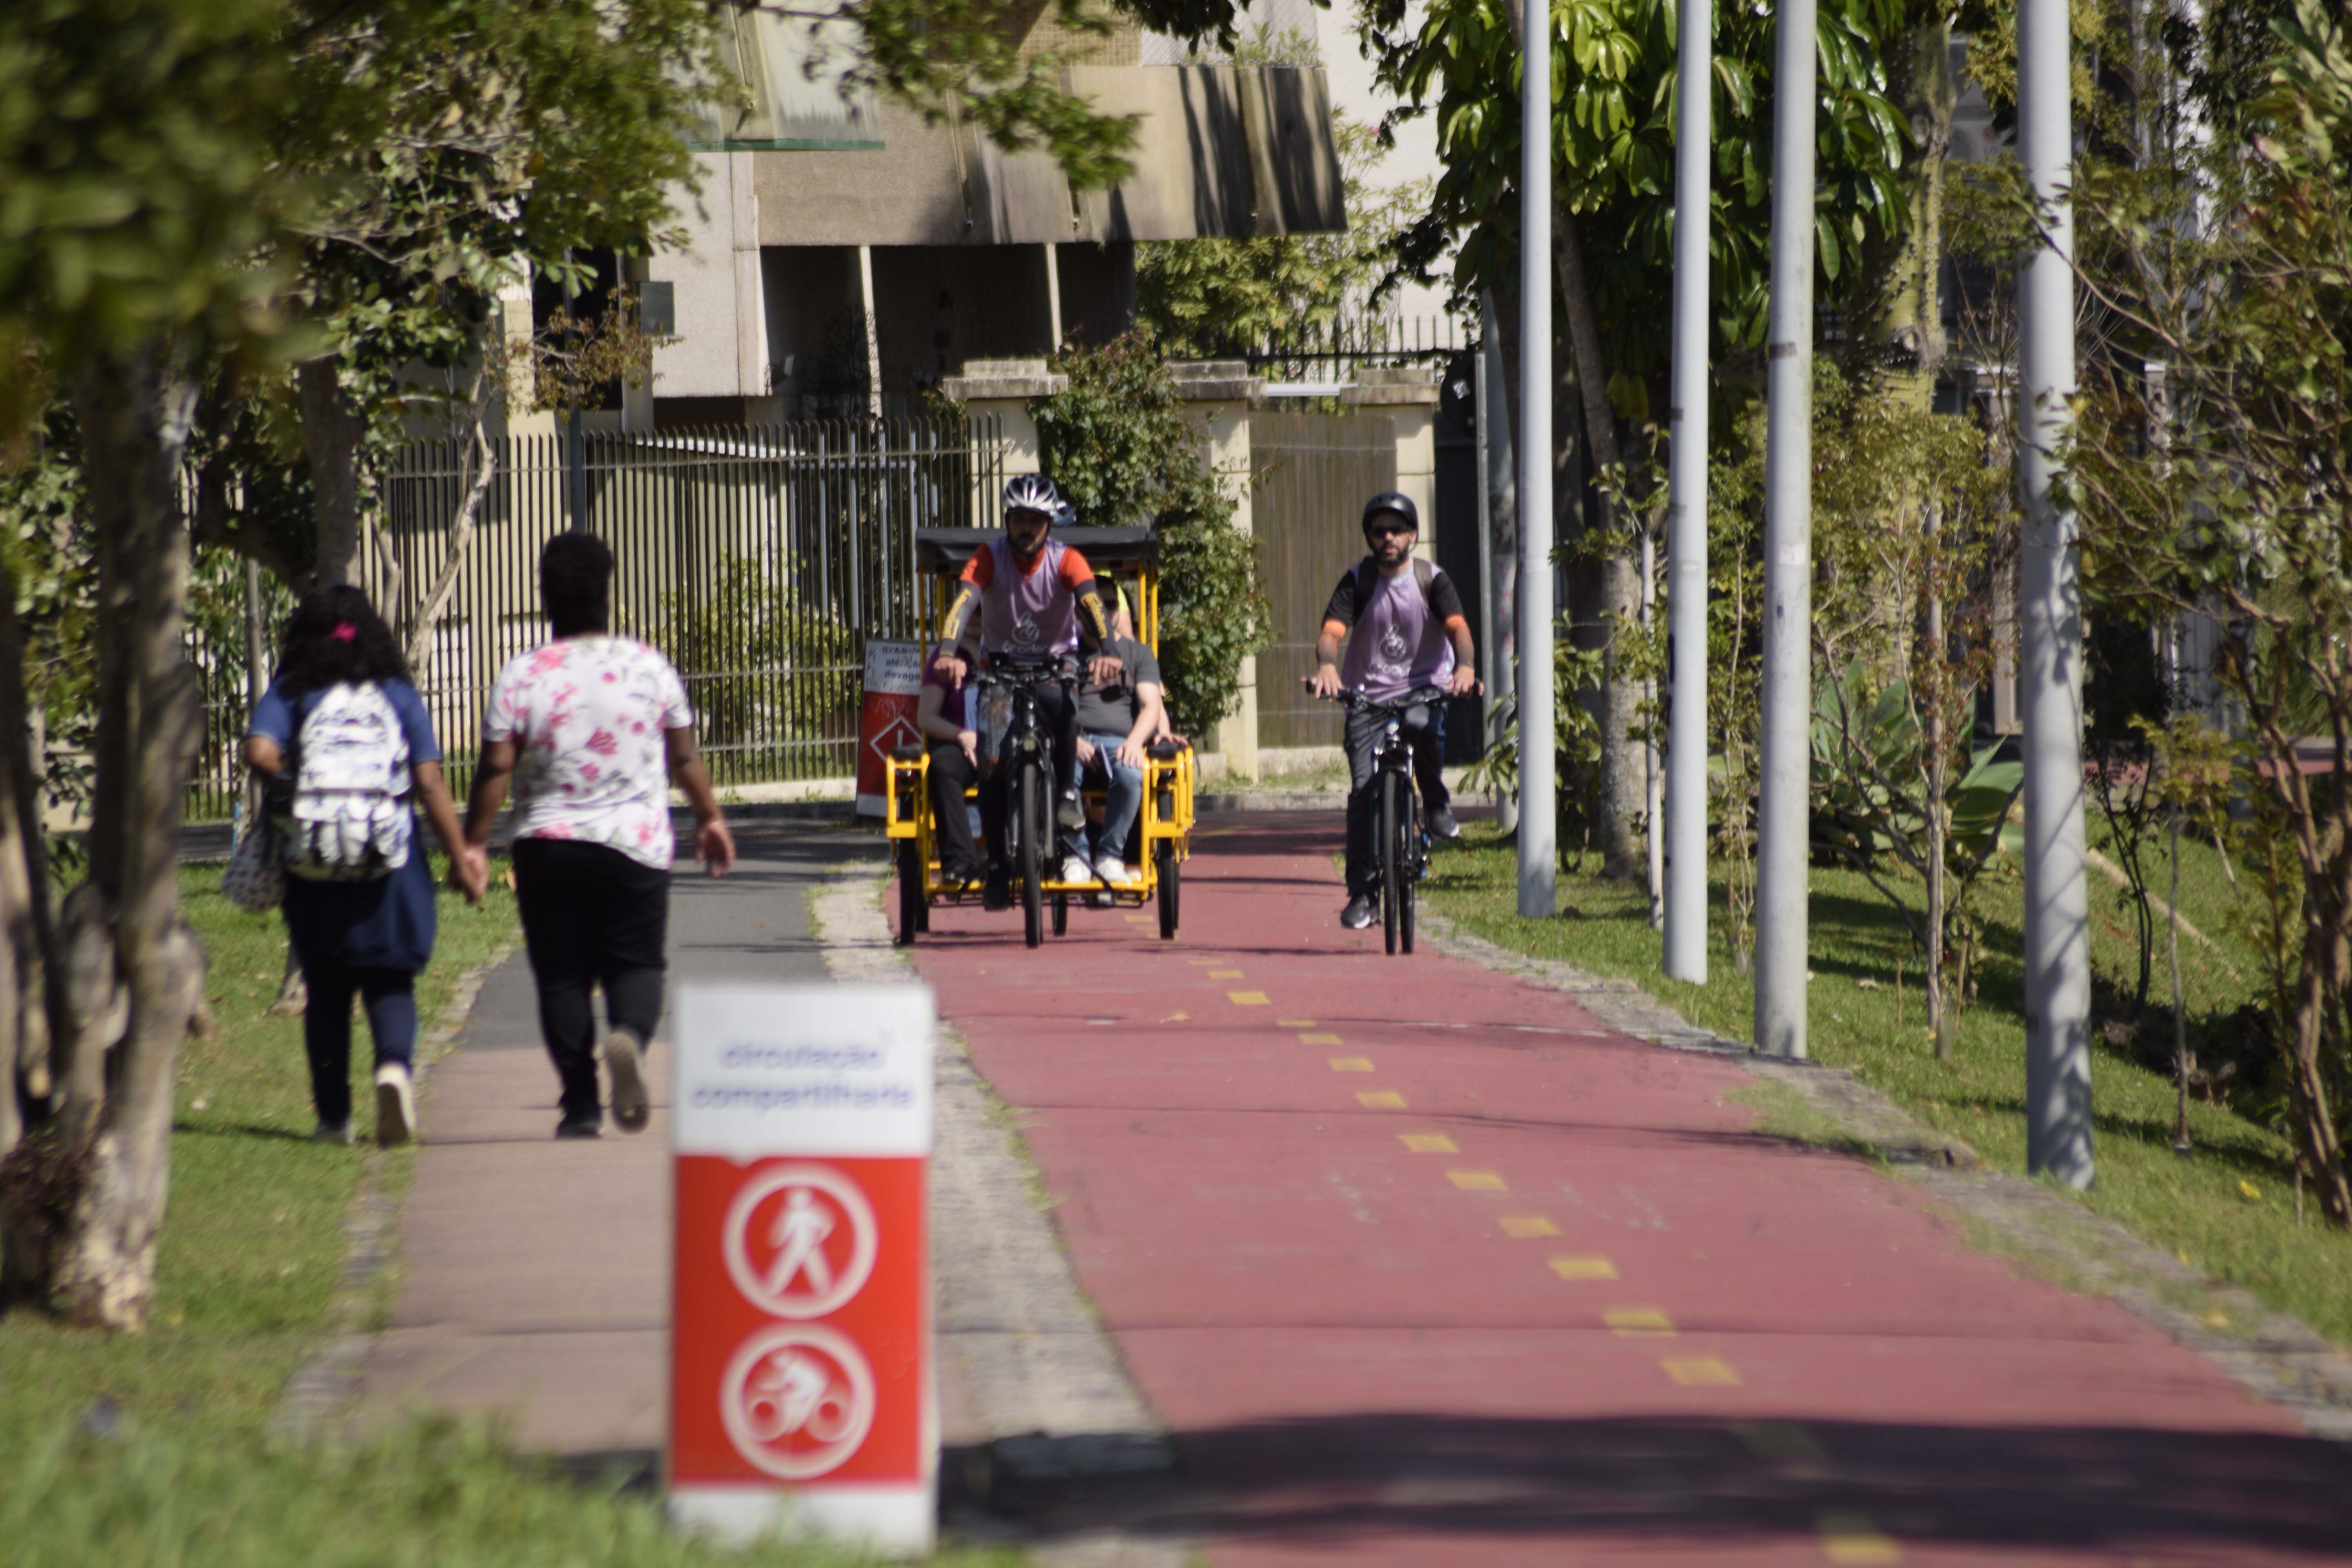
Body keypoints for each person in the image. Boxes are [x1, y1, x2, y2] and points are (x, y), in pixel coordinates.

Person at [463, 532, 736, 1139]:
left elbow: (496, 768)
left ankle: (581, 1105)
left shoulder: (522, 675)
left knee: (561, 975)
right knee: (636, 964)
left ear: (545, 597)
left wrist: (473, 844)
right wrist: (711, 817)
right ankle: (629, 1037)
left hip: (547, 846)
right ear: (607, 594)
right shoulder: (648, 667)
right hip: (634, 845)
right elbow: (685, 758)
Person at [245, 586, 485, 1147]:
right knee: (390, 977)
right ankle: (394, 1068)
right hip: (389, 863)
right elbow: (429, 780)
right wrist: (461, 856)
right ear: (372, 634)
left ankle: (333, 1120)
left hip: (313, 863)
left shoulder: (293, 688)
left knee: (326, 990)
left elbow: (259, 752)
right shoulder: (395, 692)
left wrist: (295, 784)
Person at [933, 474, 1121, 907]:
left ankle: (1067, 794)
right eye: (1019, 519)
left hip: (1056, 662)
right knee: (992, 763)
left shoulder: (1066, 559)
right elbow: (963, 603)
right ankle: (999, 864)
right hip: (1001, 667)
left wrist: (1109, 651)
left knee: (1062, 700)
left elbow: (1092, 604)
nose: (1026, 529)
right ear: (1007, 521)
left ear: (1049, 524)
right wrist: (947, 650)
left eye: (1035, 521)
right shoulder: (988, 557)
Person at [1305, 492, 1480, 930]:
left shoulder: (1431, 580)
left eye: (1397, 530)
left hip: (1423, 688)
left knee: (1426, 727)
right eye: (1380, 530)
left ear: (1412, 536)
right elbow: (1331, 632)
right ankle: (1363, 894)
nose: (1388, 538)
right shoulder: (1358, 581)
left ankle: (1435, 805)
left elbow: (1458, 628)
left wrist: (1465, 667)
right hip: (1367, 696)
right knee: (1362, 791)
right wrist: (1327, 665)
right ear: (1370, 536)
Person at [1074, 602, 1166, 891]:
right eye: (1091, 605)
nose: (1100, 611)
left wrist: (1136, 741)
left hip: (1119, 740)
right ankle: (1076, 855)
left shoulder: (1138, 654)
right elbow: (1050, 704)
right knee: (1058, 771)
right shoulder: (1066, 652)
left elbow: (1151, 705)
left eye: (1109, 604)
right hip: (1073, 738)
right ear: (1077, 612)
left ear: (1118, 613)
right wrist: (1070, 740)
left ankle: (1109, 856)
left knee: (1131, 774)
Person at [913, 632, 987, 889]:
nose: (976, 618)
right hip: (960, 742)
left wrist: (977, 653)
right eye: (971, 614)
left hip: (1001, 741)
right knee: (942, 766)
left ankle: (1014, 854)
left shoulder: (1010, 651)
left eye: (981, 613)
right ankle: (960, 862)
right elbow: (926, 718)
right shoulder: (945, 658)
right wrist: (961, 736)